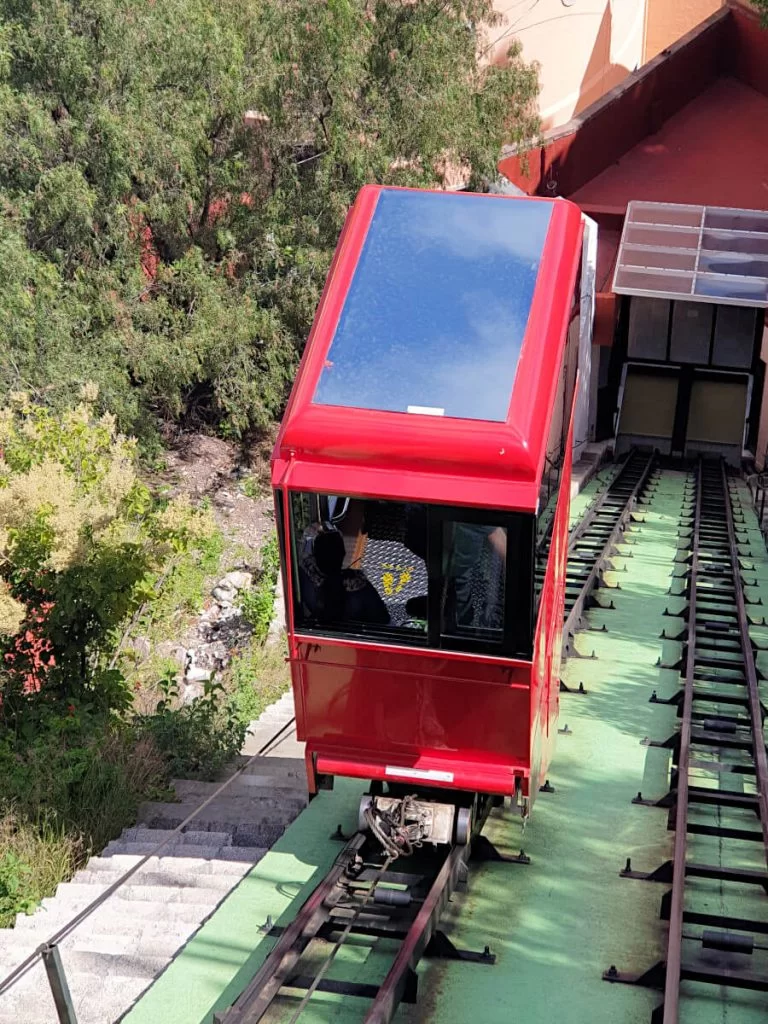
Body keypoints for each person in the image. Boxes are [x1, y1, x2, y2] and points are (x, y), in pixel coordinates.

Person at [298, 523, 389, 627]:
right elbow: (383, 620)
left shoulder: (305, 578)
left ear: (315, 557)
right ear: (343, 554)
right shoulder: (360, 587)